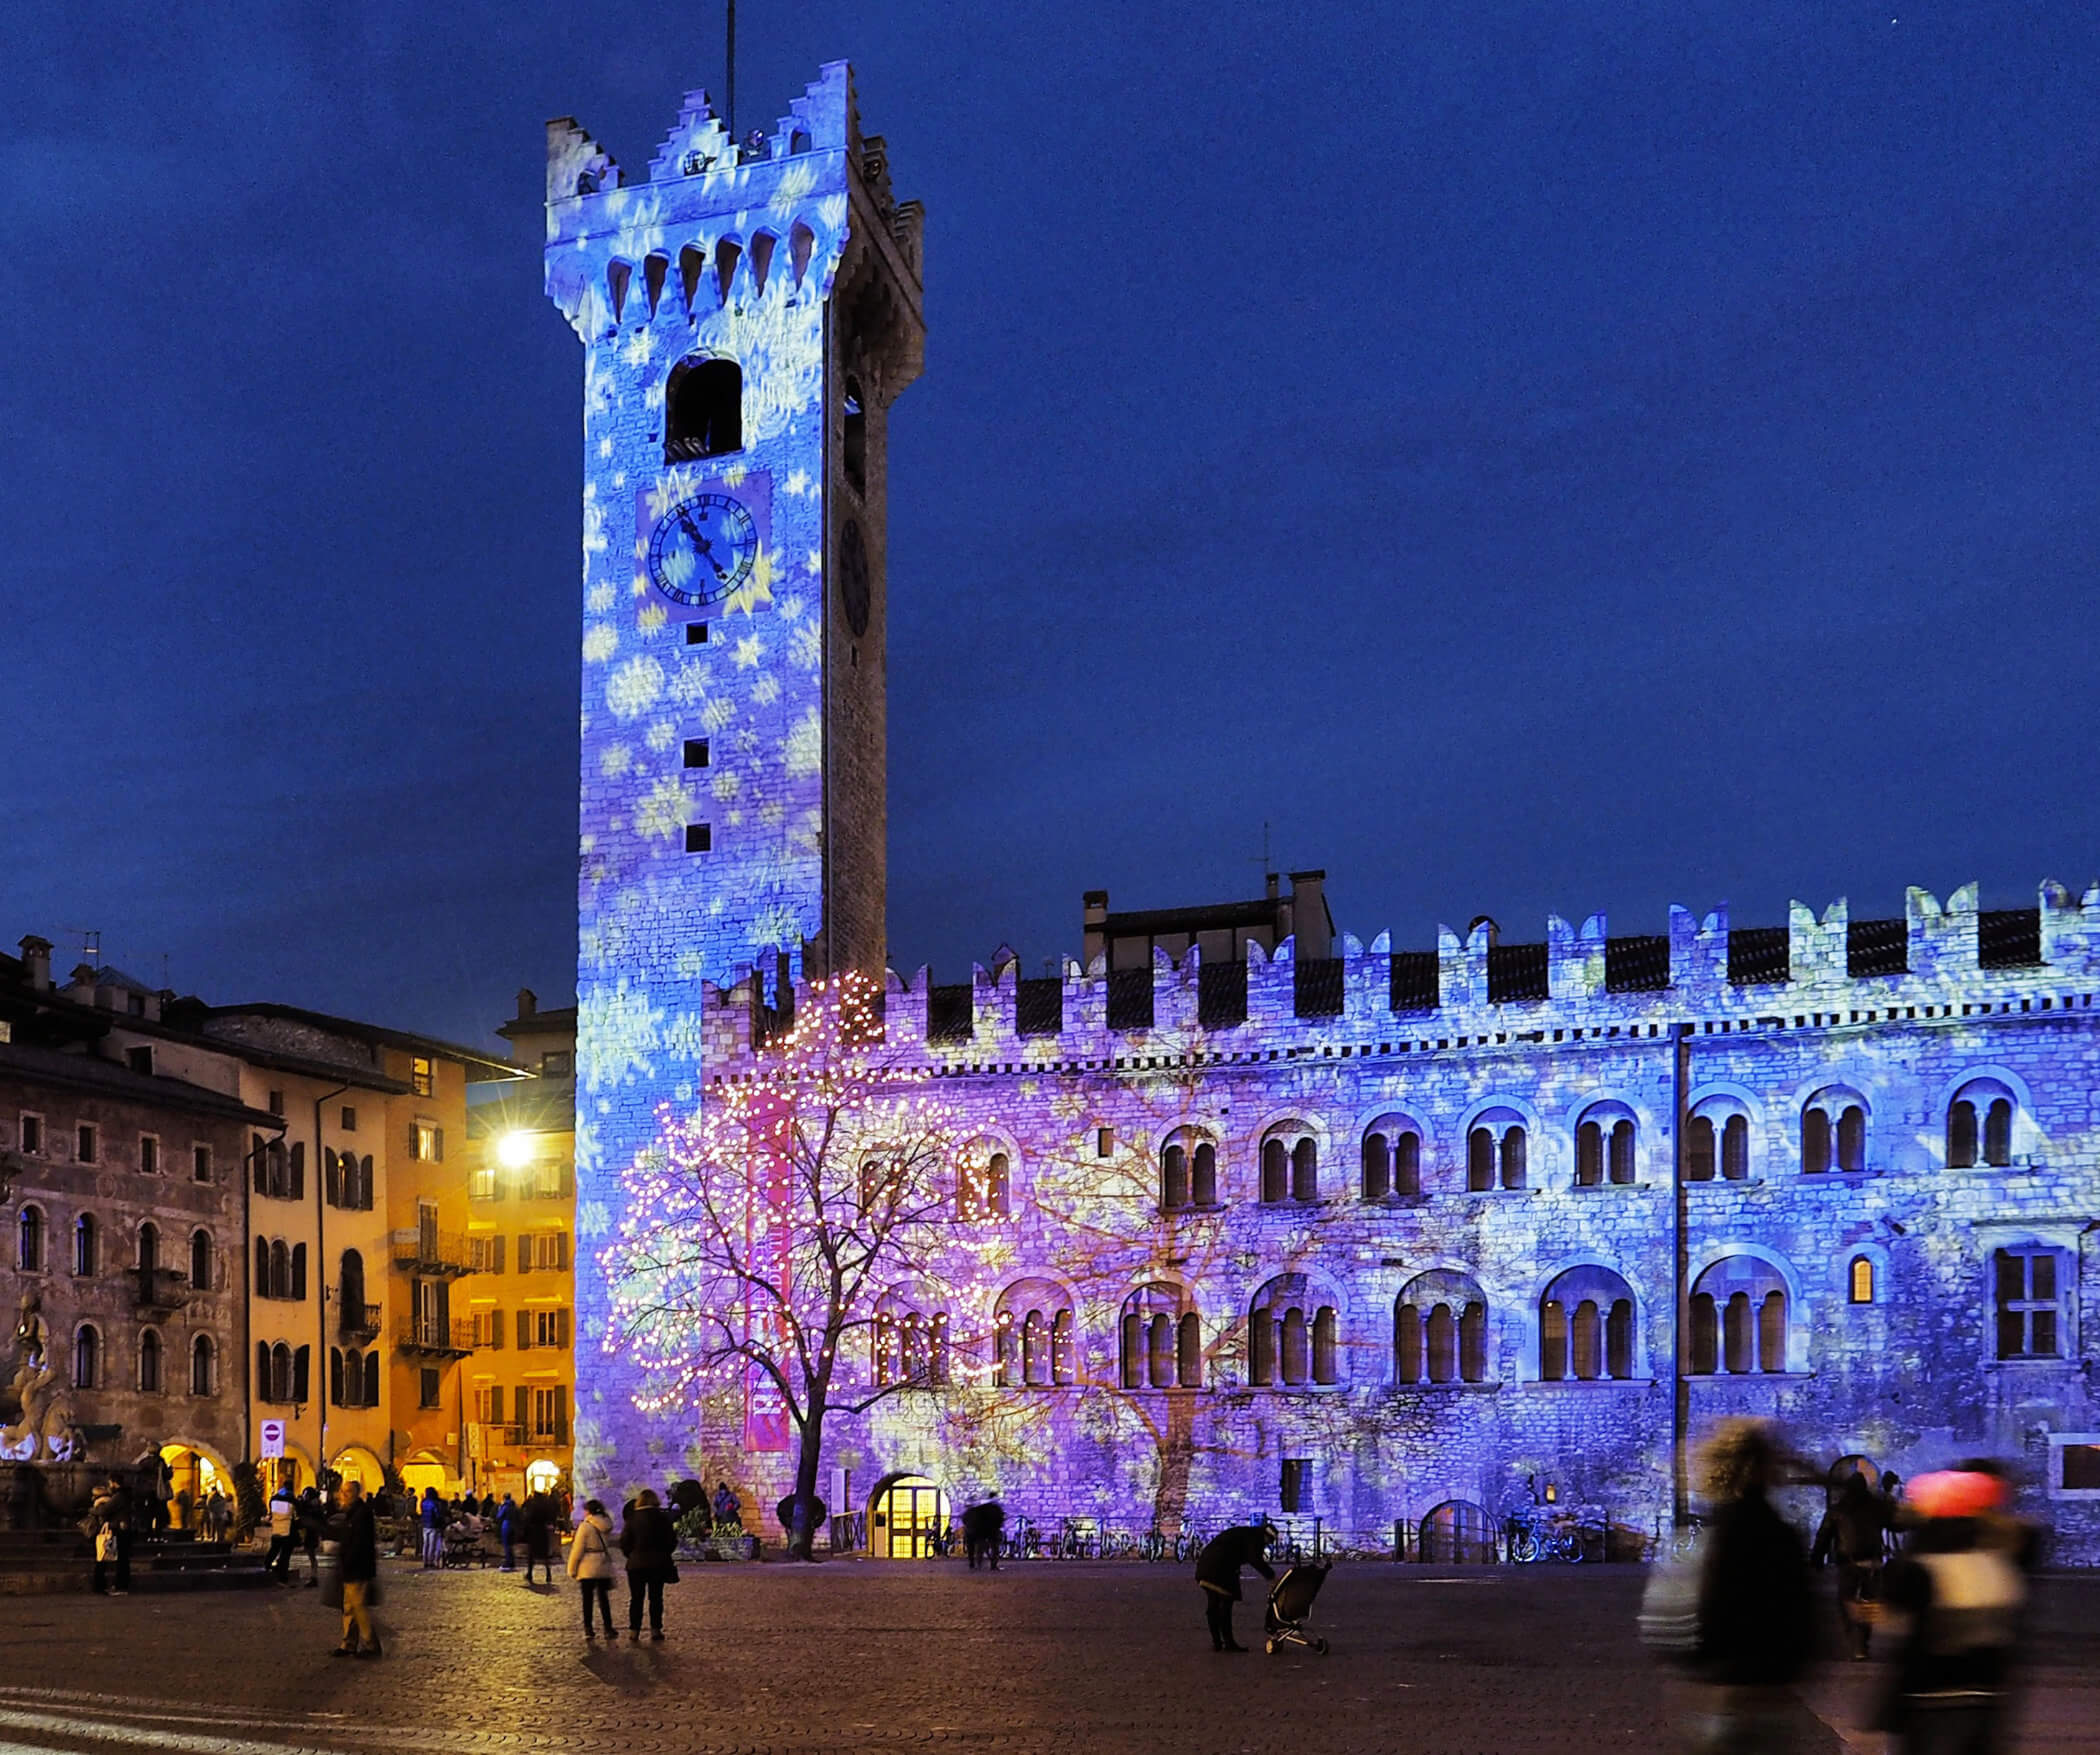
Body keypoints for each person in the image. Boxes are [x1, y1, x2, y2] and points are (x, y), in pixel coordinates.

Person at [1873, 1465, 2039, 1755]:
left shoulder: (1923, 1569)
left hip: (1928, 1696)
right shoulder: (1997, 1566)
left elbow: (1903, 1633)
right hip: (1985, 1695)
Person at [1689, 1419, 1816, 1752]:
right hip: (1767, 1688)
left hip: (1726, 1688)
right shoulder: (1779, 1534)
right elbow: (1804, 1619)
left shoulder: (1718, 1530)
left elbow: (1701, 1610)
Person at [1812, 1470, 1890, 1660]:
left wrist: (1817, 1559)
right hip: (1873, 1561)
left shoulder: (1838, 1509)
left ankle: (1854, 1640)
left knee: (1847, 1600)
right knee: (1868, 1601)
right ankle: (1863, 1643)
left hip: (1849, 1561)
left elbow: (1824, 1535)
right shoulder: (1876, 1507)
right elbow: (1893, 1523)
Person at [1195, 1522, 1276, 1652]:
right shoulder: (1255, 1538)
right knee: (1225, 1605)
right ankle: (1229, 1642)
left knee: (1213, 1604)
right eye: (1268, 1542)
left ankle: (1217, 1642)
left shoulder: (1244, 1532)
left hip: (1205, 1567)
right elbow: (1254, 1558)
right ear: (1266, 1536)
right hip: (1220, 1570)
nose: (1266, 1545)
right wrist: (1270, 1576)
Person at [329, 1480, 383, 1659]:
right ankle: (348, 1644)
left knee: (358, 1607)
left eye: (347, 1492)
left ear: (355, 1493)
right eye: (342, 1492)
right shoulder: (353, 1513)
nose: (343, 1496)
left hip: (358, 1567)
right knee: (349, 1607)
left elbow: (359, 1543)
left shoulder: (361, 1513)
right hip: (351, 1567)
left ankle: (371, 1645)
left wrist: (349, 1559)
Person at [619, 1489, 677, 1642]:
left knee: (636, 1598)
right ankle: (655, 1629)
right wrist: (663, 1554)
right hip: (658, 1564)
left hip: (636, 1564)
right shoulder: (662, 1518)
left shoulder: (632, 1518)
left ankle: (634, 1630)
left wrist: (631, 1555)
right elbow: (671, 1541)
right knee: (656, 1598)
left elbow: (624, 1542)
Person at [567, 1498, 618, 1640]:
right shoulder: (607, 1524)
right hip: (602, 1564)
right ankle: (608, 1628)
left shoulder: (585, 1526)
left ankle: (588, 1628)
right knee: (603, 1599)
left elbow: (578, 1549)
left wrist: (572, 1568)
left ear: (588, 1511)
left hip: (587, 1566)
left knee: (587, 1599)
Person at [961, 1496, 1006, 1571]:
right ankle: (993, 1565)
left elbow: (964, 1520)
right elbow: (1000, 1519)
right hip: (989, 1530)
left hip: (974, 1531)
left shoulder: (975, 1511)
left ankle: (975, 1564)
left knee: (974, 1549)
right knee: (993, 1548)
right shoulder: (995, 1509)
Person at [522, 1488, 556, 1584]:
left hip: (534, 1531)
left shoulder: (533, 1505)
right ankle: (548, 1573)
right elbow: (550, 1516)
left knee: (531, 1554)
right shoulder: (546, 1505)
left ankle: (530, 1573)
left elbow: (528, 1517)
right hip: (543, 1531)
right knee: (544, 1555)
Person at [267, 1480, 297, 1583]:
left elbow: (271, 1511)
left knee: (274, 1549)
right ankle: (283, 1576)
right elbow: (296, 1514)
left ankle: (266, 1566)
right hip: (287, 1530)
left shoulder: (274, 1498)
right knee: (285, 1554)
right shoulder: (291, 1499)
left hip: (276, 1528)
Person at [299, 1487, 324, 1585]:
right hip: (312, 1531)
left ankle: (314, 1577)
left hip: (311, 1532)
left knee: (312, 1555)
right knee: (311, 1555)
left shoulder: (313, 1506)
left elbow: (309, 1515)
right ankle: (313, 1576)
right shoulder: (315, 1505)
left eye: (306, 1495)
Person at [418, 1487, 445, 1569]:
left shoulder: (423, 1502)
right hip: (433, 1525)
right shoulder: (434, 1503)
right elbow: (437, 1514)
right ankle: (431, 1561)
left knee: (425, 1544)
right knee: (432, 1545)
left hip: (425, 1525)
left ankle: (425, 1560)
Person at [496, 1493, 520, 1571]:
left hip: (506, 1526)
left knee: (506, 1546)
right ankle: (512, 1562)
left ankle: (508, 1563)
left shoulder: (505, 1506)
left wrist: (500, 1508)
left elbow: (499, 1516)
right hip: (514, 1526)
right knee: (511, 1545)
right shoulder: (514, 1506)